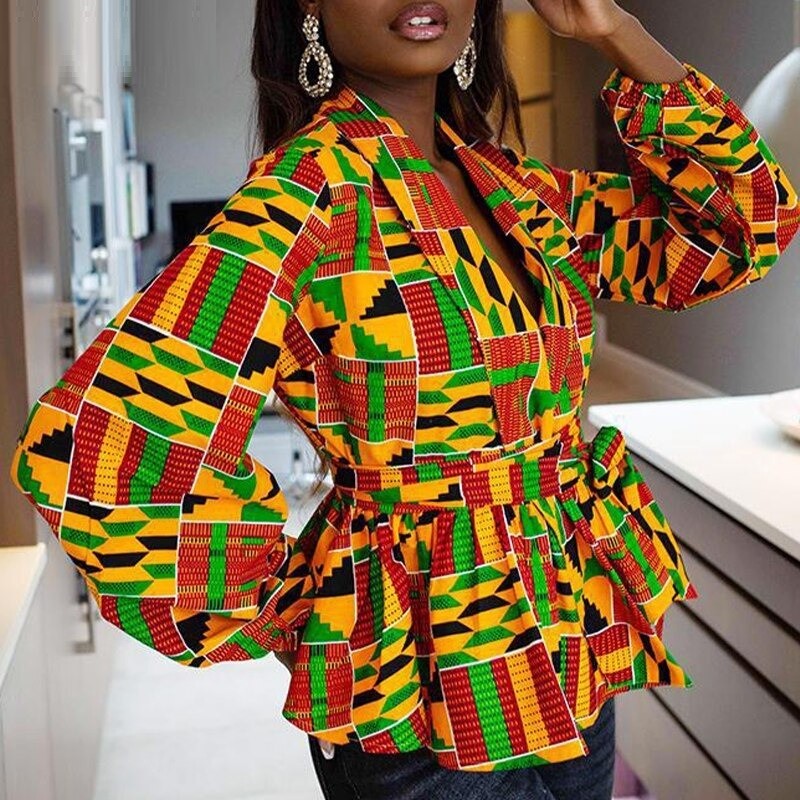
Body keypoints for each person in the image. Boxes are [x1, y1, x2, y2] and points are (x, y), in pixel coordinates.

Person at [10, 0, 800, 797]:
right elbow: (98, 443)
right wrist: (284, 609)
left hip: (567, 642)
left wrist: (614, 31)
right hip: (419, 690)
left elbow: (744, 225)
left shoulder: (510, 188)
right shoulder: (306, 194)